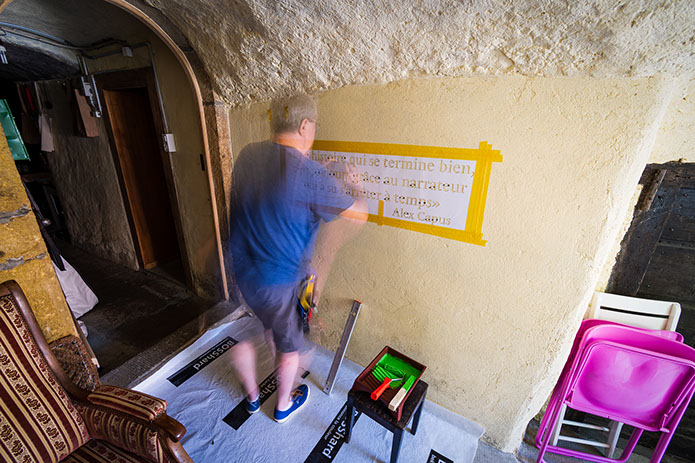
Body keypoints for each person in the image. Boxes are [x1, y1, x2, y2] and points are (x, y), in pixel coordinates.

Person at [228, 94, 366, 422]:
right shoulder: (311, 175)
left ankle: (252, 396)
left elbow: (282, 186)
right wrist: (355, 187)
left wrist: (321, 174)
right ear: (305, 125)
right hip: (280, 283)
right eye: (314, 126)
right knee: (295, 348)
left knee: (271, 323)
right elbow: (357, 215)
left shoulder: (249, 154)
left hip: (245, 274)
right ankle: (283, 405)